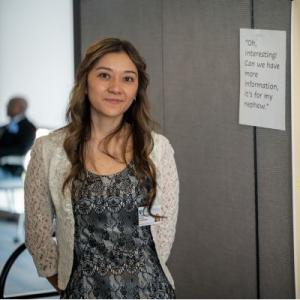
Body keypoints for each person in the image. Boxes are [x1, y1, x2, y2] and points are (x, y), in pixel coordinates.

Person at [24, 38, 179, 299]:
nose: (116, 88)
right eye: (105, 75)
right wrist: (64, 282)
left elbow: (162, 233)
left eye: (128, 79)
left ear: (136, 89)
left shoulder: (157, 149)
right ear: (85, 83)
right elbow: (37, 233)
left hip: (150, 290)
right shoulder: (48, 150)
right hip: (83, 291)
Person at [0, 97, 36, 179]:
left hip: (11, 169)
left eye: (10, 105)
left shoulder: (29, 127)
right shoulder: (5, 127)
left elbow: (22, 149)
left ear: (21, 108)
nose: (7, 107)